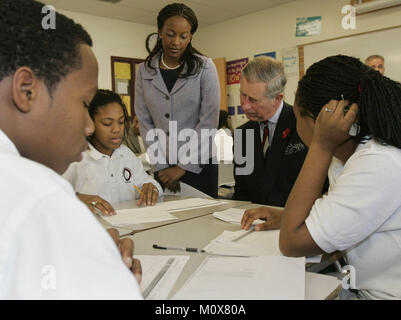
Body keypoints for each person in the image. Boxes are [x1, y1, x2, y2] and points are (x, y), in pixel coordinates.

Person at [0, 0, 142, 298]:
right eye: (85, 105)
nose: (89, 127)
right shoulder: (38, 196)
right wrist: (102, 266)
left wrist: (77, 248)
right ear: (26, 90)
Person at [242, 55, 401, 300]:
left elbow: (291, 243)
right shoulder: (356, 156)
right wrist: (286, 216)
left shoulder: (376, 163)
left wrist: (321, 145)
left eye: (297, 118)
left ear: (319, 122)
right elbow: (342, 206)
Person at [135, 3, 220, 198]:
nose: (176, 42)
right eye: (170, 34)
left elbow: (208, 121)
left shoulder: (205, 67)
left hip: (199, 165)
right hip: (162, 166)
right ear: (160, 32)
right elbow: (145, 121)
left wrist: (182, 167)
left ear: (190, 36)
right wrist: (161, 165)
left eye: (184, 36)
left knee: (202, 224)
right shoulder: (144, 71)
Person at [63, 89, 162, 216]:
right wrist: (77, 198)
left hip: (129, 226)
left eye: (121, 122)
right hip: (92, 229)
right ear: (88, 122)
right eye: (107, 123)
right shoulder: (75, 157)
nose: (116, 129)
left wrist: (151, 187)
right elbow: (51, 195)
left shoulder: (125, 154)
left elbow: (144, 181)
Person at [232, 56, 308, 207]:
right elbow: (241, 192)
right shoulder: (242, 134)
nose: (245, 106)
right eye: (243, 95)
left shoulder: (303, 127)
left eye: (253, 100)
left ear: (277, 98)